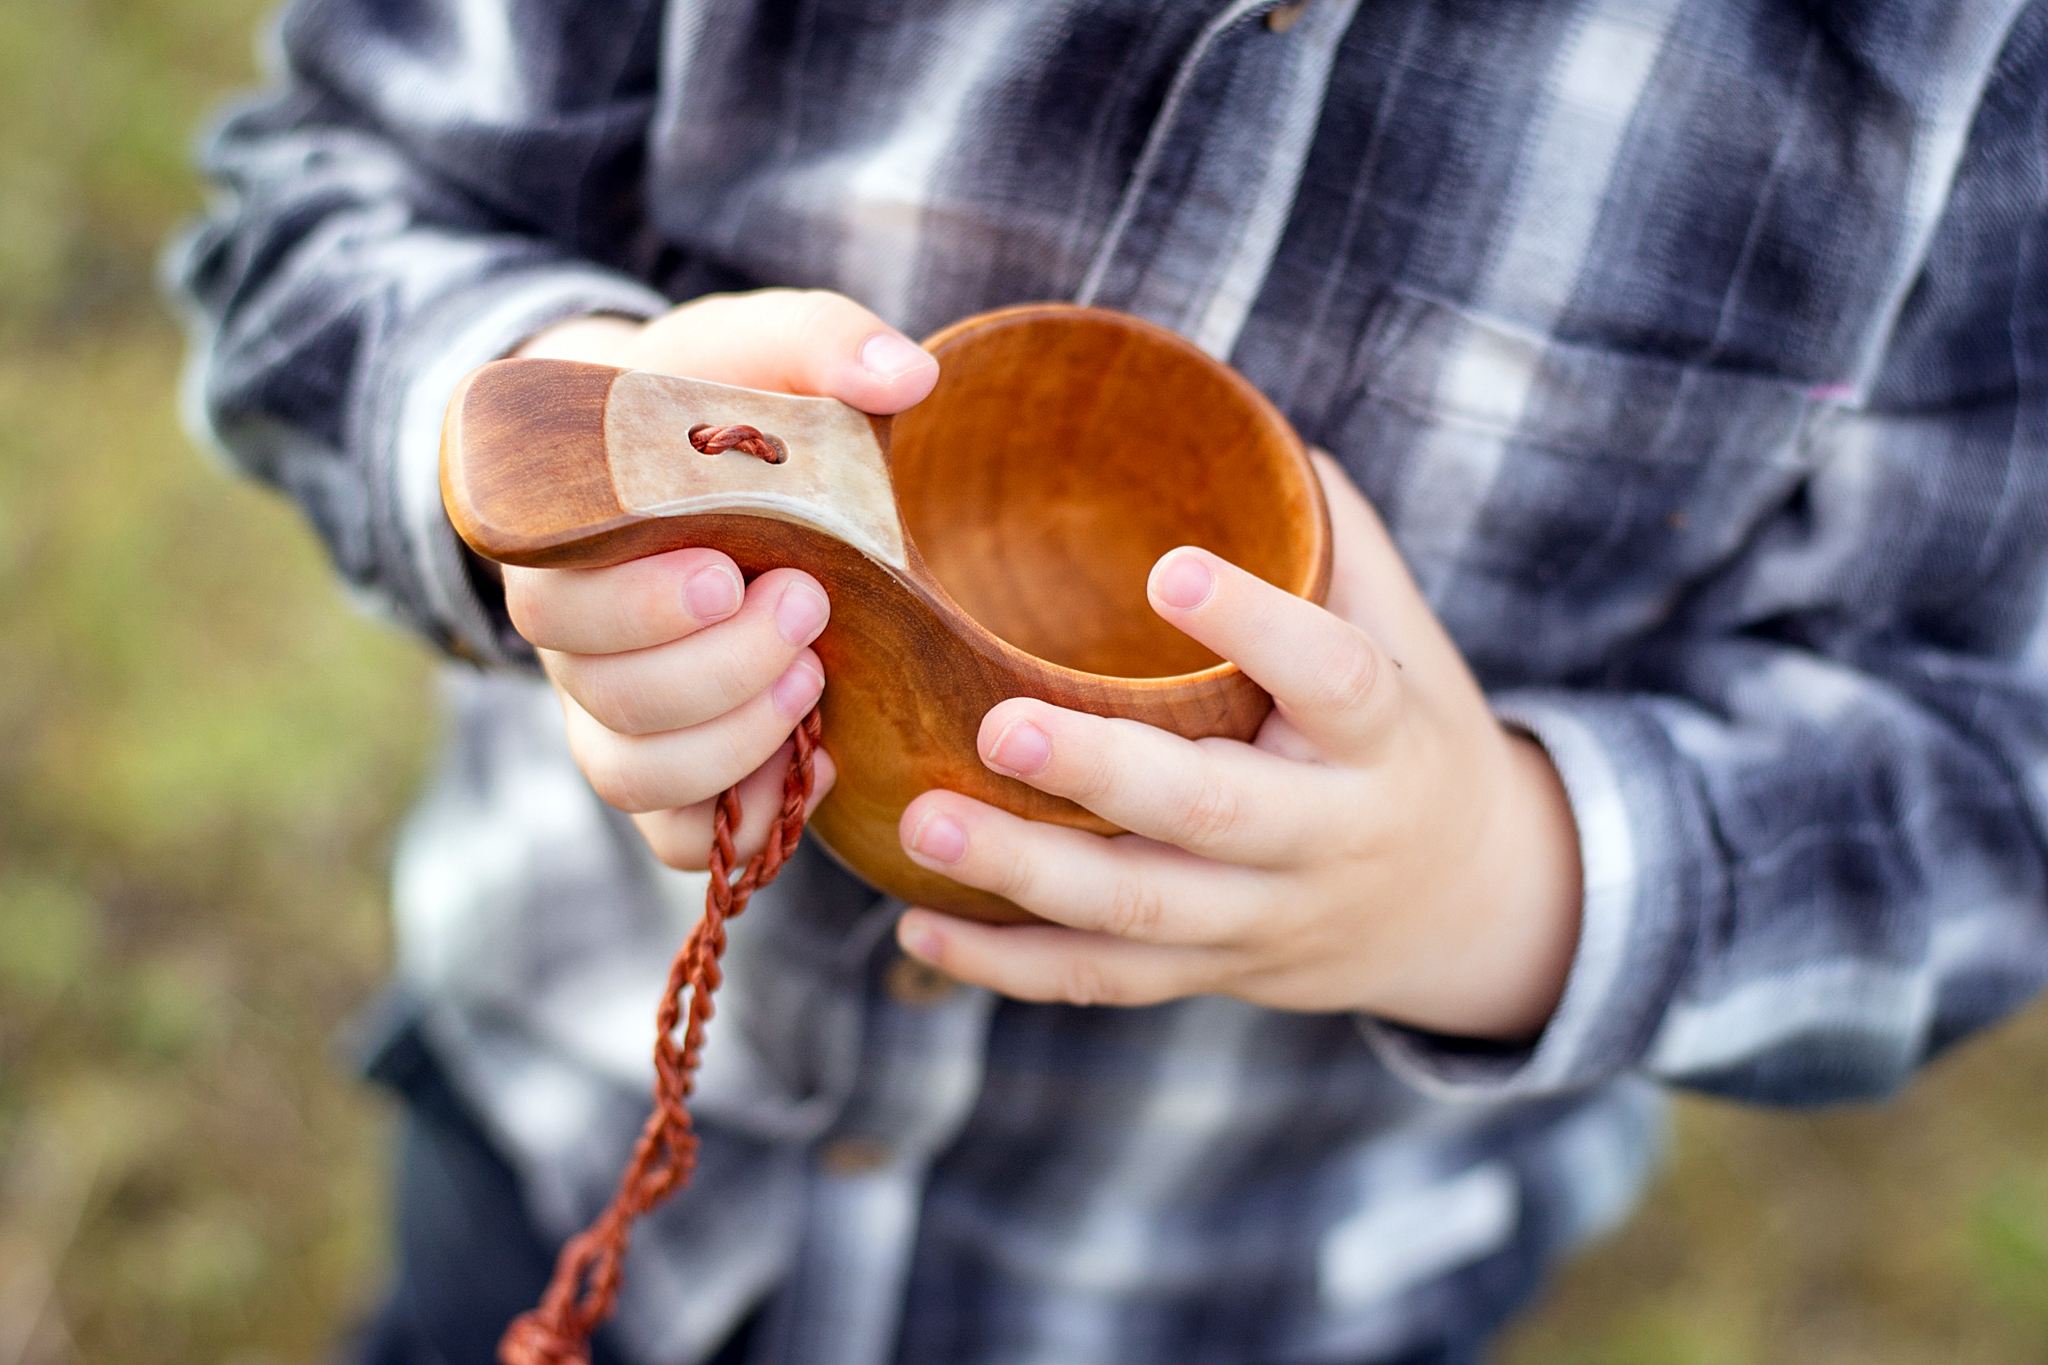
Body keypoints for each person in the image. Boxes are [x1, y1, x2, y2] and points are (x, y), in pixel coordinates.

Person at [170, 2, 2048, 1362]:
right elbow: (318, 208)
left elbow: (1987, 772)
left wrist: (1493, 880)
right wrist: (591, 427)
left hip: (1276, 1285)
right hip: (579, 1151)